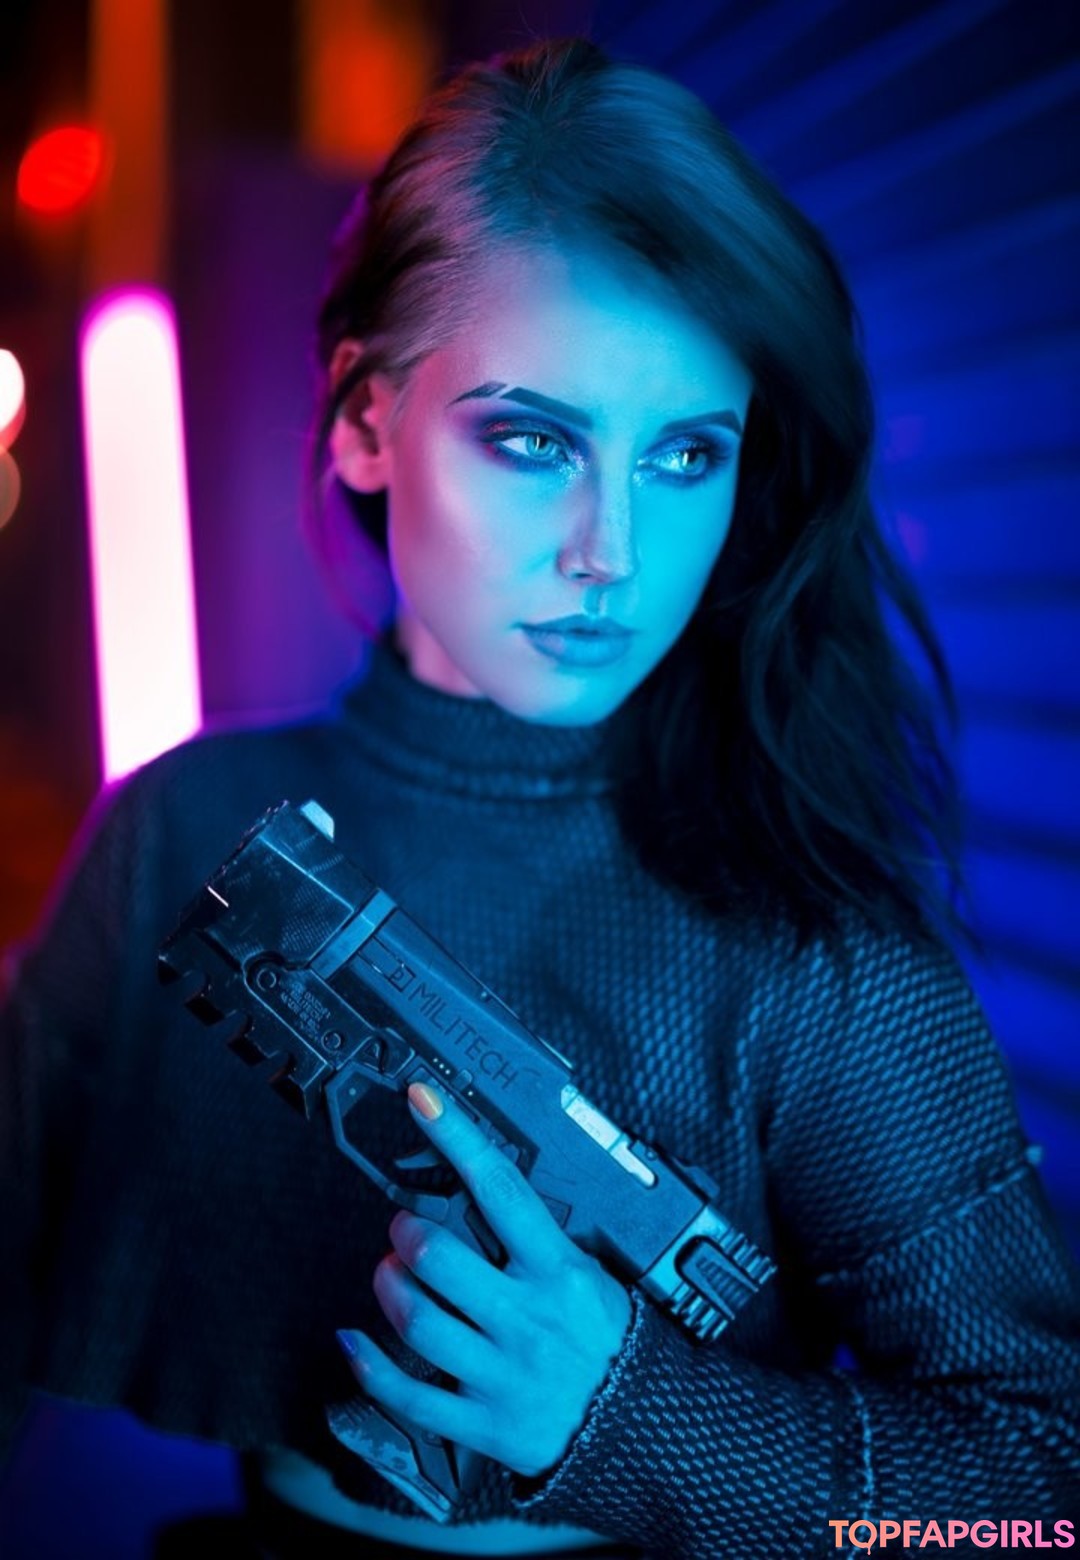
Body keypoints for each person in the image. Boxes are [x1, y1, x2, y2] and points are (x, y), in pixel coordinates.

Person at [2, 32, 1079, 1560]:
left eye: (687, 453)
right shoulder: (182, 830)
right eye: (530, 439)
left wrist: (622, 1416)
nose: (611, 554)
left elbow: (1040, 1493)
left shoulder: (814, 948)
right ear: (364, 421)